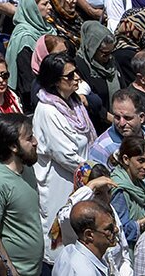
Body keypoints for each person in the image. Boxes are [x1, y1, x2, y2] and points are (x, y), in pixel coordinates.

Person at [33, 54, 94, 253]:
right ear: (55, 81)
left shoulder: (75, 103)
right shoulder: (48, 110)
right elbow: (64, 155)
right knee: (59, 234)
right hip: (59, 181)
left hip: (80, 179)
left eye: (76, 72)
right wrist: (92, 171)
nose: (77, 78)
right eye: (70, 76)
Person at [0, 113, 44, 276]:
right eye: (29, 138)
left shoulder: (27, 168)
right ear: (13, 146)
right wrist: (10, 271)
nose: (35, 142)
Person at [53, 199, 120, 276]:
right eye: (108, 229)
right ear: (89, 235)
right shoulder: (83, 272)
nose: (116, 230)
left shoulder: (68, 251)